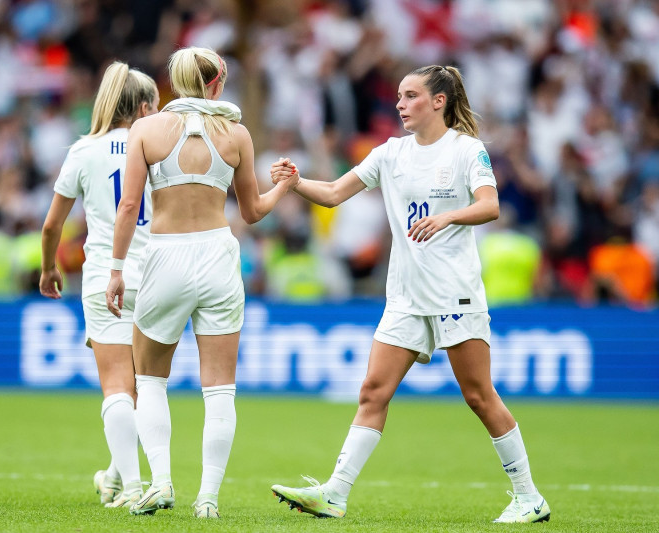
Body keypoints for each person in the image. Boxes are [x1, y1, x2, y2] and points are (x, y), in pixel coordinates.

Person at [268, 65, 550, 524]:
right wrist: (294, 182)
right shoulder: (391, 153)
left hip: (453, 293)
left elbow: (490, 205)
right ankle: (335, 494)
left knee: (479, 396)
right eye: (399, 96)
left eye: (411, 95)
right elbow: (337, 192)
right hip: (404, 296)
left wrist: (447, 217)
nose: (400, 104)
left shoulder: (466, 150)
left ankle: (529, 497)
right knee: (372, 391)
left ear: (438, 101)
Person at [105, 46, 298, 519]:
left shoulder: (147, 130)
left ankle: (161, 482)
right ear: (216, 82)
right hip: (217, 254)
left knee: (149, 380)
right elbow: (252, 212)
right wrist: (285, 187)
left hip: (165, 254)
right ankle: (207, 500)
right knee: (220, 390)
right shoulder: (235, 133)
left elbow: (129, 206)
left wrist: (115, 267)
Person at [39, 61, 159, 509]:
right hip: (157, 277)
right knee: (142, 388)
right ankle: (113, 476)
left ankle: (129, 487)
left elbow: (53, 224)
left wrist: (50, 267)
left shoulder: (84, 151)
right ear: (144, 107)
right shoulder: (158, 149)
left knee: (116, 388)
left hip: (106, 278)